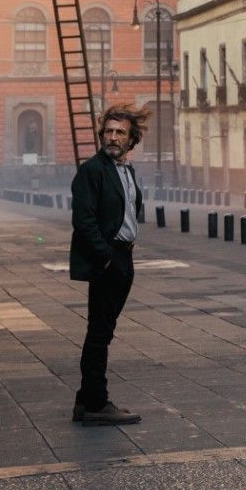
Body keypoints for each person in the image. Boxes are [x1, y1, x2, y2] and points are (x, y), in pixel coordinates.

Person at [69, 104, 149, 426]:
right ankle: (96, 403)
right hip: (109, 259)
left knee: (105, 330)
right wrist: (104, 258)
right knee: (99, 332)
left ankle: (86, 398)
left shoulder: (126, 171)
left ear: (131, 141)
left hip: (124, 256)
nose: (113, 137)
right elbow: (84, 220)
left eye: (120, 133)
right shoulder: (92, 170)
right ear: (102, 135)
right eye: (109, 132)